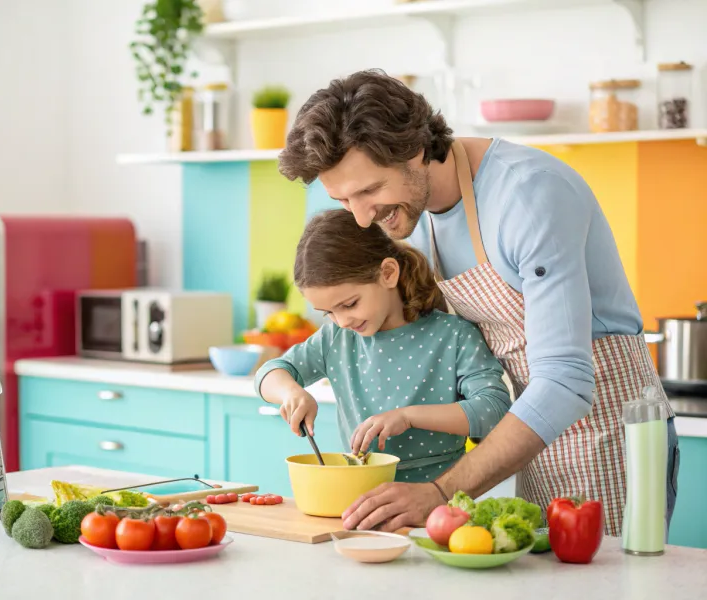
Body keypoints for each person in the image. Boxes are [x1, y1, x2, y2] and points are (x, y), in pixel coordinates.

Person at [277, 69, 678, 537]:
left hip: (609, 425)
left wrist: (441, 491)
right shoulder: (411, 216)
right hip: (531, 429)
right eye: (344, 200)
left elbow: (567, 381)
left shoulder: (528, 196)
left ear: (416, 149)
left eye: (369, 191)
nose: (363, 219)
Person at [254, 208, 511, 484]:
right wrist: (291, 392)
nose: (341, 321)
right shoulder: (336, 339)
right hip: (364, 495)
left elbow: (494, 409)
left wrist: (408, 417)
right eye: (328, 312)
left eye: (350, 304)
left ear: (388, 273)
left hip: (442, 500)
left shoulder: (453, 335)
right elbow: (270, 372)